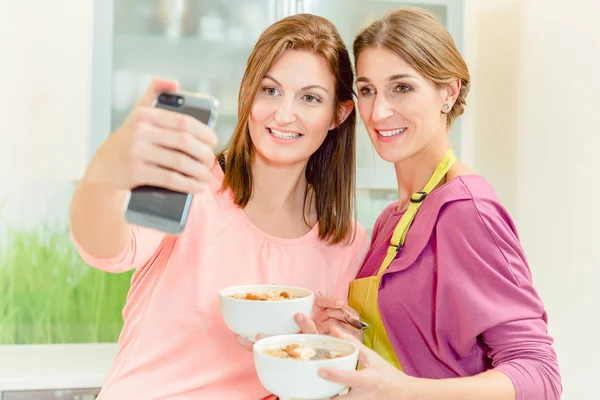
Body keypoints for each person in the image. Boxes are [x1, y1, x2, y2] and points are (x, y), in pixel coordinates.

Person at [69, 13, 368, 399]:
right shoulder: (191, 182)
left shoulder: (344, 242)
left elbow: (316, 385)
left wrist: (316, 358)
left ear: (338, 115)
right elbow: (107, 249)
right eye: (270, 90)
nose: (283, 114)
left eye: (309, 98)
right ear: (247, 93)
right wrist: (104, 174)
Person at [304, 8, 562, 400]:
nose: (378, 111)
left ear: (449, 92)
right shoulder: (393, 218)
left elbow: (540, 375)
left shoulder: (465, 209)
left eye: (401, 88)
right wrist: (347, 334)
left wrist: (406, 390)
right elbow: (419, 350)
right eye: (368, 90)